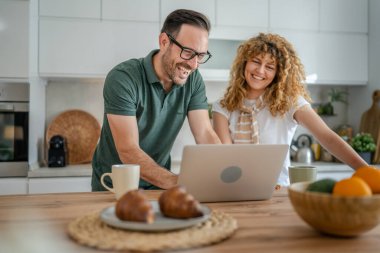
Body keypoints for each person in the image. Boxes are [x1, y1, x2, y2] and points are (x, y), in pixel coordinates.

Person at [212, 33, 368, 186]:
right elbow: (226, 156)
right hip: (236, 189)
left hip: (278, 191)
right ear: (244, 63)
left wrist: (367, 172)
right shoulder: (223, 106)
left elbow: (328, 138)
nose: (260, 71)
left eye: (270, 67)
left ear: (278, 74)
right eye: (256, 61)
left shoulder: (289, 102)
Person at [92, 9, 221, 191]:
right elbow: (128, 150)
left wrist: (227, 172)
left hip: (160, 186)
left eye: (200, 55)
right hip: (115, 186)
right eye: (187, 52)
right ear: (164, 42)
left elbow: (205, 133)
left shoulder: (193, 80)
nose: (193, 65)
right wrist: (178, 183)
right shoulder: (123, 78)